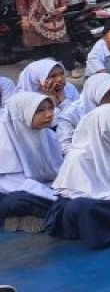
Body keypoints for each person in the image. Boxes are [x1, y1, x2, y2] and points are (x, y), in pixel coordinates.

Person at [46, 104, 110, 248]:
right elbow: (82, 194)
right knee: (81, 208)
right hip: (94, 202)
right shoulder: (79, 156)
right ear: (108, 129)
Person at [0, 92, 62, 231]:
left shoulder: (49, 135)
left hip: (42, 188)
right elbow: (13, 184)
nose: (49, 114)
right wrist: (53, 196)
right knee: (18, 200)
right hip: (12, 191)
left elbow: (58, 171)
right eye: (40, 111)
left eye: (50, 108)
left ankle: (34, 218)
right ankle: (56, 216)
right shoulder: (4, 141)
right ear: (22, 114)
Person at [15, 0, 74, 73]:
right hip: (35, 19)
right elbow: (21, 0)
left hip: (55, 17)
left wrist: (63, 6)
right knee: (39, 46)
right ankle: (42, 72)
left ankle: (71, 68)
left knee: (63, 43)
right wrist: (24, 18)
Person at [54, 72, 110, 153]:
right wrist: (95, 153)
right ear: (95, 93)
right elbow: (64, 146)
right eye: (109, 93)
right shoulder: (71, 114)